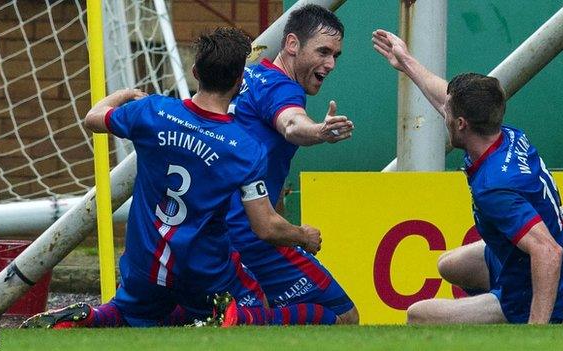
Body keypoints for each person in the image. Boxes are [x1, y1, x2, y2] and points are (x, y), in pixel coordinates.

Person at [21, 27, 340, 329]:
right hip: (205, 274)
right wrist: (304, 236)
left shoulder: (153, 112)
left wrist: (122, 95)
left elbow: (93, 118)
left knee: (132, 313)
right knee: (261, 310)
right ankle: (233, 318)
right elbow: (265, 227)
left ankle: (97, 315)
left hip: (145, 267)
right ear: (239, 81)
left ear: (196, 73)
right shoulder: (244, 149)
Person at [372, 29, 563, 324]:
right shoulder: (505, 134)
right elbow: (446, 100)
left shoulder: (494, 186)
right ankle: (490, 320)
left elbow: (547, 252)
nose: (443, 114)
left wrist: (537, 333)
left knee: (418, 316)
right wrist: (407, 61)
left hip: (549, 293)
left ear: (461, 124)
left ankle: (509, 320)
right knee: (449, 265)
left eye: (448, 114)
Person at [225, 4, 358, 324]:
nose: (331, 64)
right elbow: (291, 125)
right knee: (344, 318)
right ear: (292, 44)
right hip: (250, 234)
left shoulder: (252, 73)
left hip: (218, 228)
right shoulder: (282, 88)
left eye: (336, 56)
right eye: (324, 51)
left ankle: (239, 318)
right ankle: (245, 320)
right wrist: (320, 132)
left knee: (268, 308)